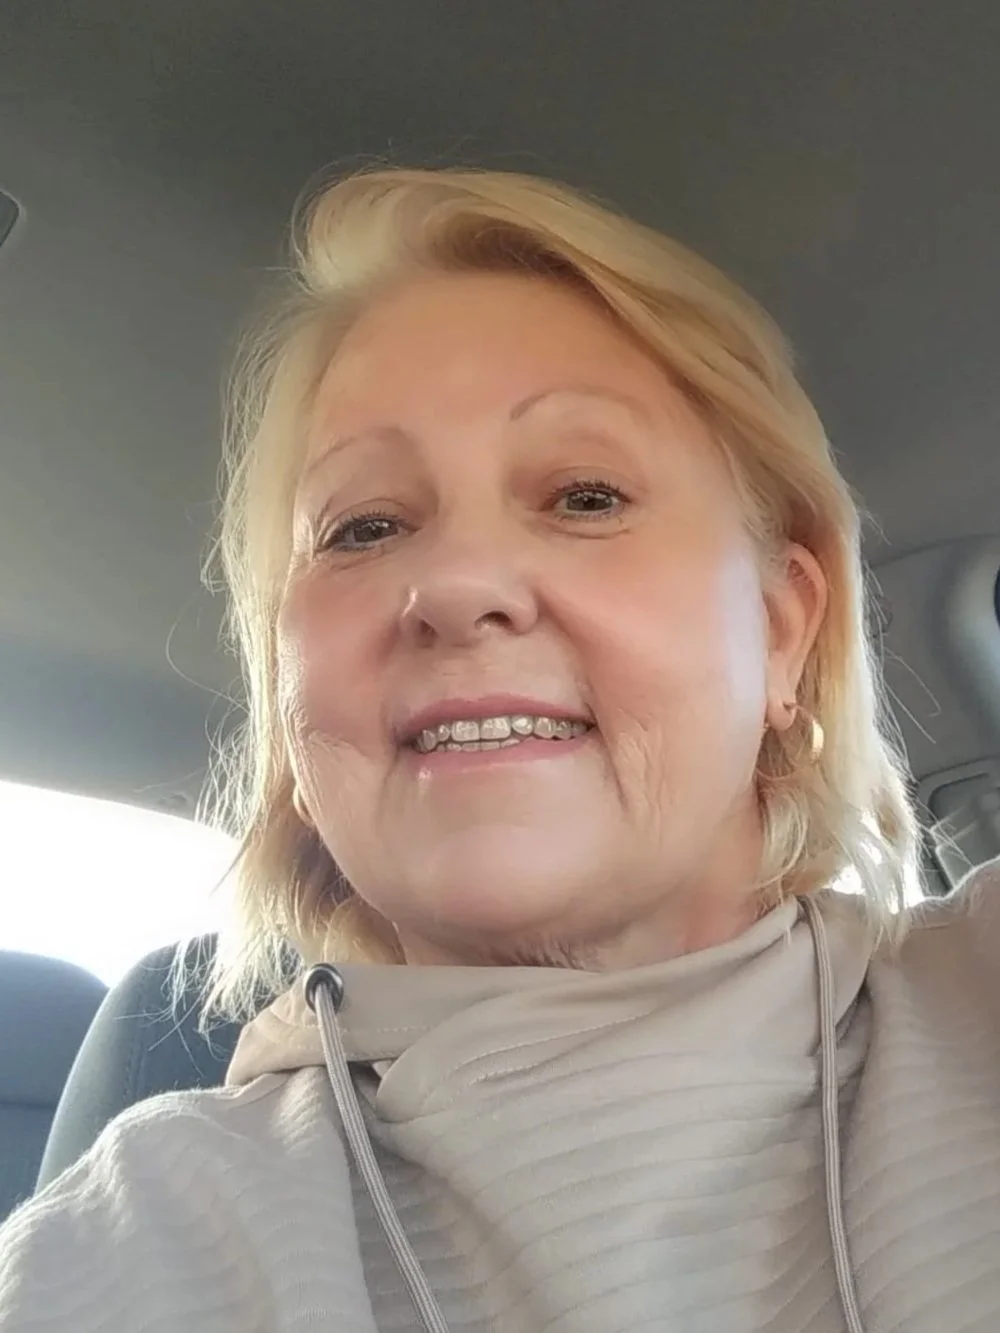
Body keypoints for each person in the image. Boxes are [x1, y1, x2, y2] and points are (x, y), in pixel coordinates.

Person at [1, 166, 999, 1333]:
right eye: (363, 526)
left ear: (782, 630)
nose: (454, 586)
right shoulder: (121, 1251)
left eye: (584, 496)